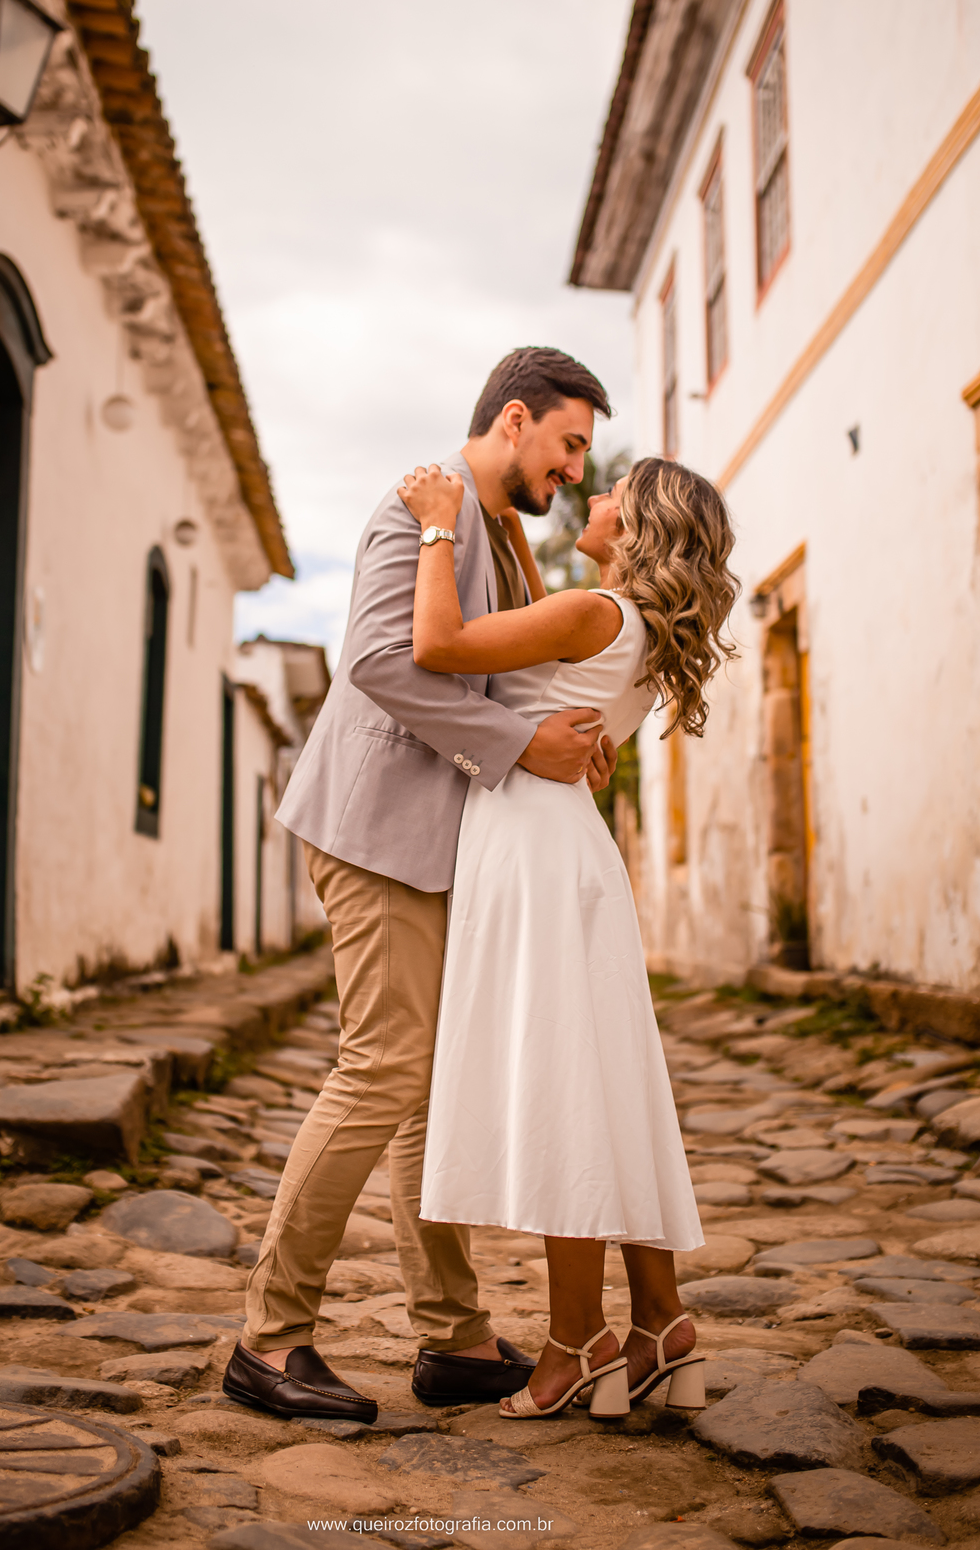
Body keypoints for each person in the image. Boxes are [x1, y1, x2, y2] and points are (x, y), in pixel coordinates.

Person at [222, 347, 618, 1423]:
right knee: (381, 1070)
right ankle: (269, 1339)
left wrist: (562, 736)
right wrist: (515, 744)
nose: (576, 472)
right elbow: (382, 668)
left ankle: (449, 1339)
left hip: (435, 843)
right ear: (516, 420)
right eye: (570, 444)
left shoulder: (496, 533)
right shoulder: (420, 508)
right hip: (373, 831)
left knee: (423, 1092)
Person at [397, 454, 739, 1418]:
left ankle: (575, 1342)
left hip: (533, 856)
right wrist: (507, 537)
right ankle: (659, 1324)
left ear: (637, 531)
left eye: (613, 496)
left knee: (565, 1092)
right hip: (567, 852)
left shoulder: (597, 615)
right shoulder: (626, 628)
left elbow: (438, 644)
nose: (592, 500)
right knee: (606, 1086)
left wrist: (434, 523)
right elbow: (550, 672)